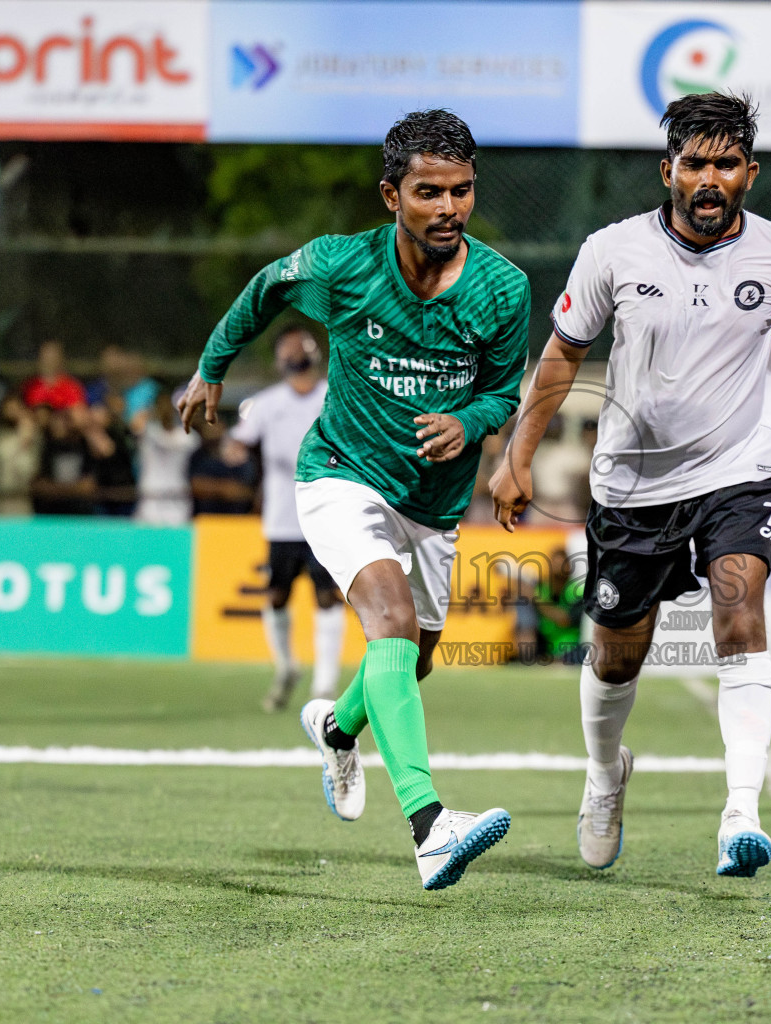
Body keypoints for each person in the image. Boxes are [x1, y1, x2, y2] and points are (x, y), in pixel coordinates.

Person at [491, 93, 771, 876]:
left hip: (740, 472)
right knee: (618, 657)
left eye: (724, 163)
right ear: (668, 171)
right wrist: (517, 455)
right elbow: (560, 357)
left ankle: (741, 812)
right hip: (632, 486)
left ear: (749, 175)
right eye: (693, 162)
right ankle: (603, 775)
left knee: (739, 605)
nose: (708, 177)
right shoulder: (612, 251)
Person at [177, 109, 528, 891]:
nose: (449, 208)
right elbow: (266, 287)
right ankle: (431, 826)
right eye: (429, 192)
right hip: (341, 472)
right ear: (390, 196)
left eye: (462, 191)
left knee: (415, 658)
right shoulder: (342, 265)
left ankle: (338, 728)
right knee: (393, 624)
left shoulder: (504, 287)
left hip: (435, 502)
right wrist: (212, 366)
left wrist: (470, 420)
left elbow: (506, 390)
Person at [229, 325, 351, 711]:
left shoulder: (334, 396)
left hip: (327, 514)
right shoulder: (267, 403)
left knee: (328, 595)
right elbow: (239, 442)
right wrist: (231, 447)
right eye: (289, 347)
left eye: (303, 346)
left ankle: (325, 684)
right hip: (283, 517)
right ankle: (286, 666)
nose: (297, 353)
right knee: (277, 595)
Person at [134, 387, 197, 526]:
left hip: (177, 499)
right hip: (149, 498)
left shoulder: (188, 437)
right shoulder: (148, 431)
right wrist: (150, 412)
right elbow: (135, 425)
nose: (166, 410)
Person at [22, 340, 87, 411]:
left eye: (53, 356)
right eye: (46, 356)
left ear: (60, 359)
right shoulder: (30, 387)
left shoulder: (72, 387)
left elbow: (78, 413)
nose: (49, 361)